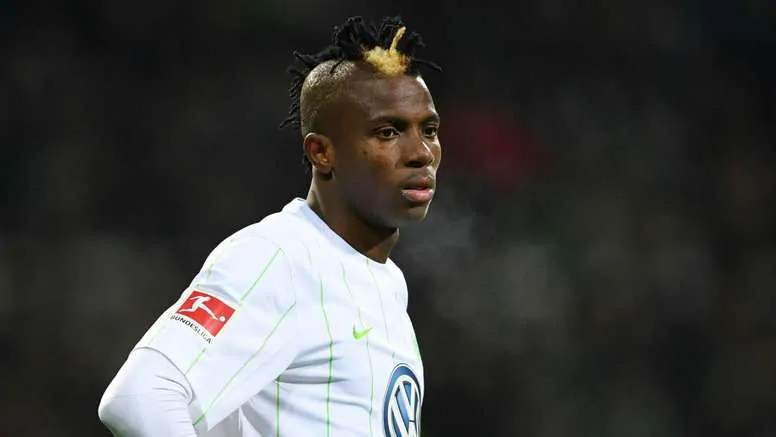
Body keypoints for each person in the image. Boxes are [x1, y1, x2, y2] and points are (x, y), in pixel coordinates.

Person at [98, 15, 442, 437]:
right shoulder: (277, 257)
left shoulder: (387, 283)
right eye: (388, 132)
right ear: (321, 152)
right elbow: (140, 397)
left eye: (429, 129)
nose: (422, 152)